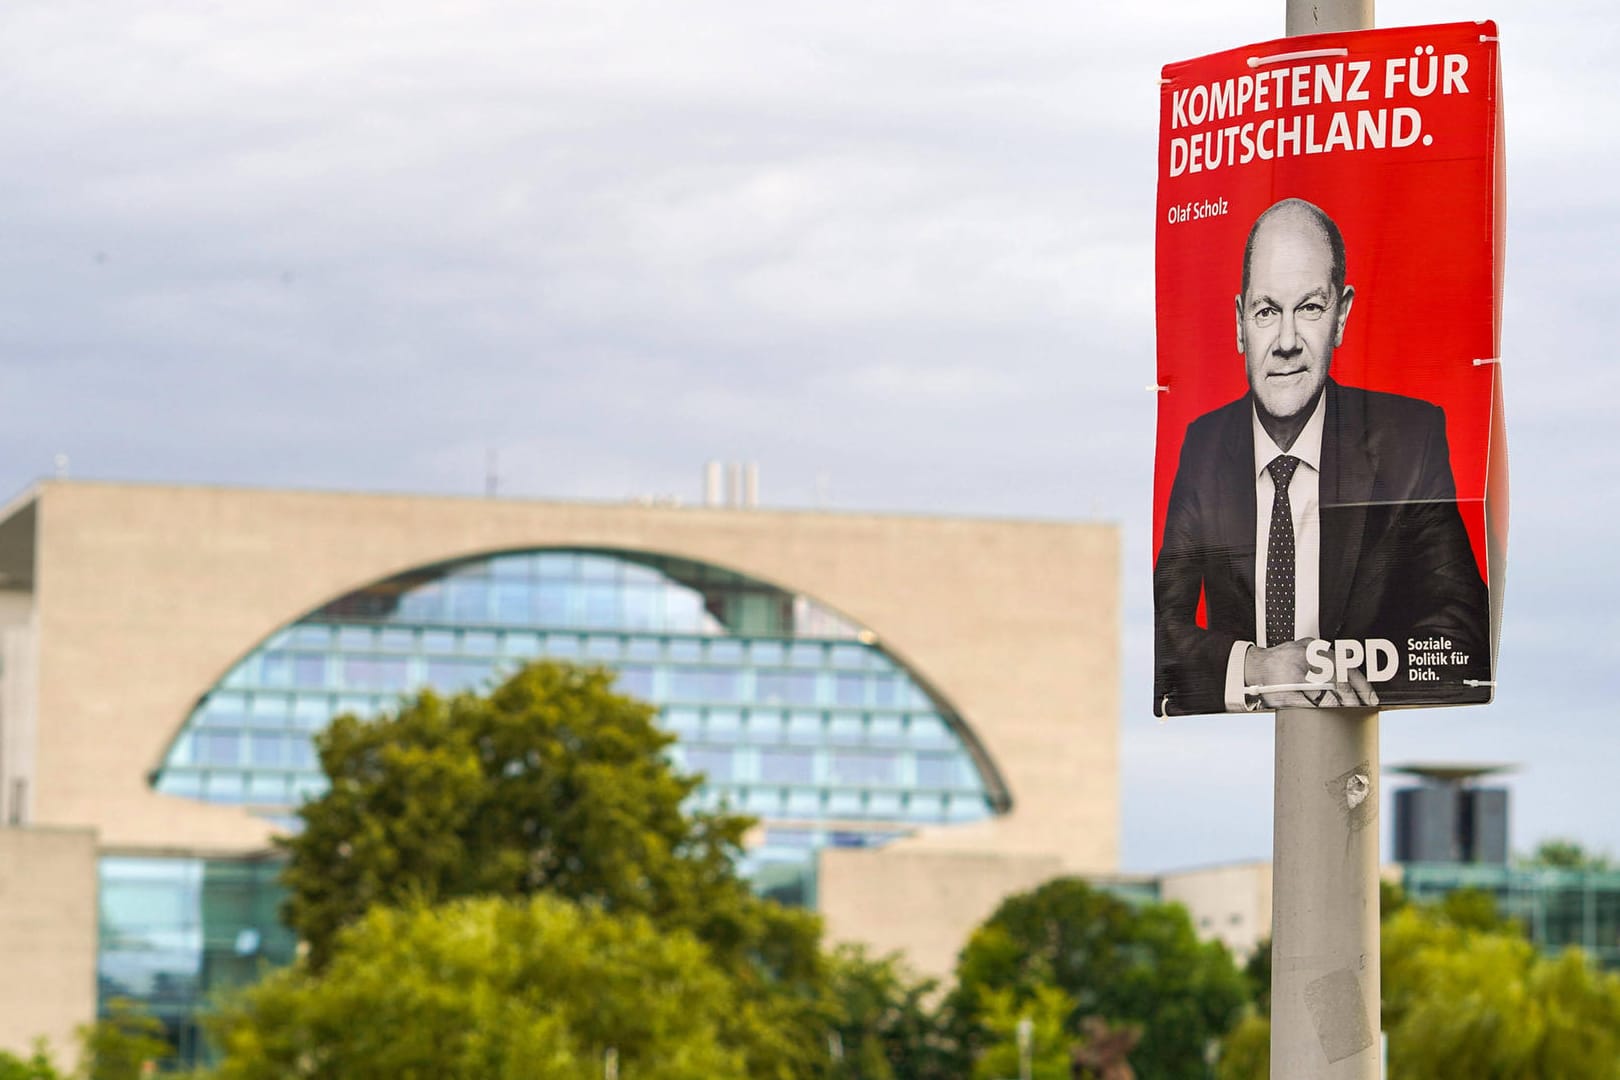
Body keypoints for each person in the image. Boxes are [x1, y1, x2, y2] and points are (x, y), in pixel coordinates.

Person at [1153, 197, 1489, 716]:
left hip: (1357, 747)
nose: (1286, 341)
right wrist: (1256, 669)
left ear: (1341, 315)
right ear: (1241, 323)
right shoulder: (1204, 447)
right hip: (1240, 752)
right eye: (1267, 311)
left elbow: (1463, 634)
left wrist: (1333, 676)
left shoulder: (1407, 438)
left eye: (1309, 307)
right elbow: (1164, 630)